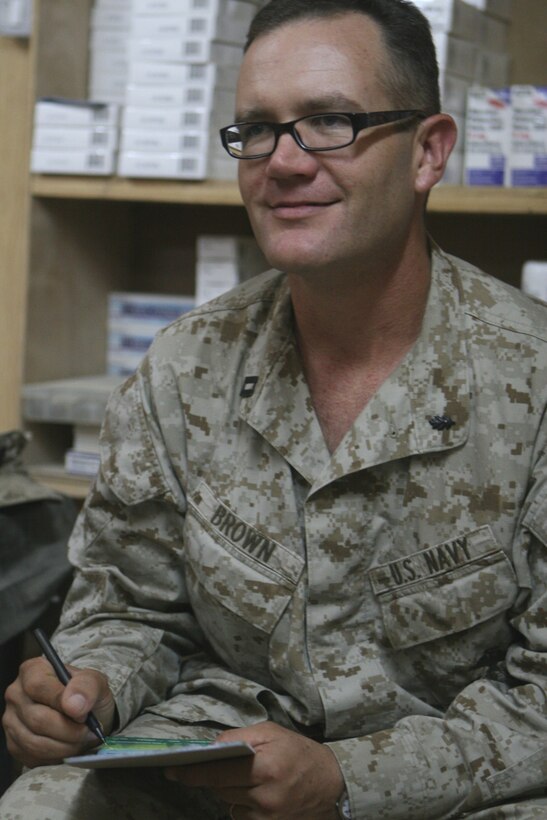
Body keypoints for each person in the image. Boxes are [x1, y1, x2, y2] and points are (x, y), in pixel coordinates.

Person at [2, 0, 546, 817]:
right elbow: (130, 605)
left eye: (329, 121)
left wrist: (346, 782)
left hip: (457, 782)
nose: (282, 162)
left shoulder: (531, 379)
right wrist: (86, 685)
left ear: (427, 153)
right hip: (224, 757)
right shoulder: (188, 365)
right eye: (256, 129)